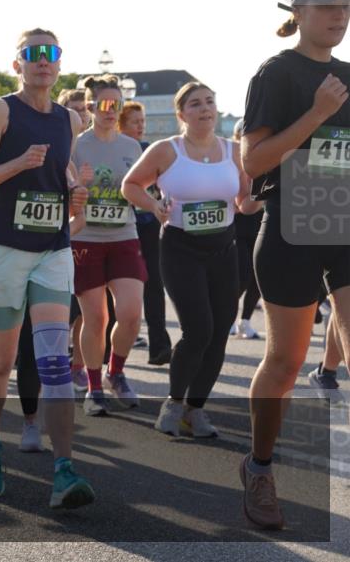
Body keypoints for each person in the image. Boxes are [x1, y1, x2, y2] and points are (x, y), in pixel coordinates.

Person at [238, 0, 350, 530]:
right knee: (283, 364)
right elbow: (254, 163)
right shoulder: (276, 74)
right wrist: (319, 114)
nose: (338, 16)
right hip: (289, 228)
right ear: (298, 12)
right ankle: (259, 466)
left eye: (346, 6)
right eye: (327, 5)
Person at [0, 28, 94, 508]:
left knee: (56, 363)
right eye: (33, 54)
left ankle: (64, 469)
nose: (44, 61)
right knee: (0, 361)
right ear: (17, 64)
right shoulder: (1, 109)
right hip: (2, 248)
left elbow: (60, 175)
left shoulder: (68, 119)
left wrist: (73, 194)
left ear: (60, 64)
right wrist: (18, 163)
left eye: (52, 53)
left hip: (52, 250)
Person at [124, 82, 257, 438]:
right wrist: (154, 205)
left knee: (218, 335)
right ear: (181, 114)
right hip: (181, 251)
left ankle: (195, 410)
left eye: (210, 102)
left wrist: (264, 197)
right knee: (198, 329)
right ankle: (173, 401)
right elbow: (131, 185)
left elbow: (244, 201)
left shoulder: (234, 151)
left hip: (223, 252)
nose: (205, 109)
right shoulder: (167, 151)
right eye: (195, 104)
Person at [71, 74, 146, 416]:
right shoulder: (75, 144)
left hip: (123, 235)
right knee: (96, 317)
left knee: (130, 314)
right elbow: (60, 192)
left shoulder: (132, 146)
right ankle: (94, 386)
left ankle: (116, 372)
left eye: (117, 104)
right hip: (85, 238)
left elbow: (142, 187)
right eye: (104, 103)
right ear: (90, 106)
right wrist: (76, 188)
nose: (111, 110)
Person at [118, 101, 174, 364]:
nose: (141, 126)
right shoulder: (112, 150)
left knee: (155, 283)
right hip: (119, 227)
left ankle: (159, 344)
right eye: (135, 122)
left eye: (143, 121)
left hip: (149, 225)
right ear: (121, 124)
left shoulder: (147, 150)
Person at [230, 118, 265, 340]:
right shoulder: (231, 159)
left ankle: (245, 321)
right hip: (236, 226)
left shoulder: (264, 158)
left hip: (259, 224)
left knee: (258, 279)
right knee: (241, 276)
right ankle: (230, 318)